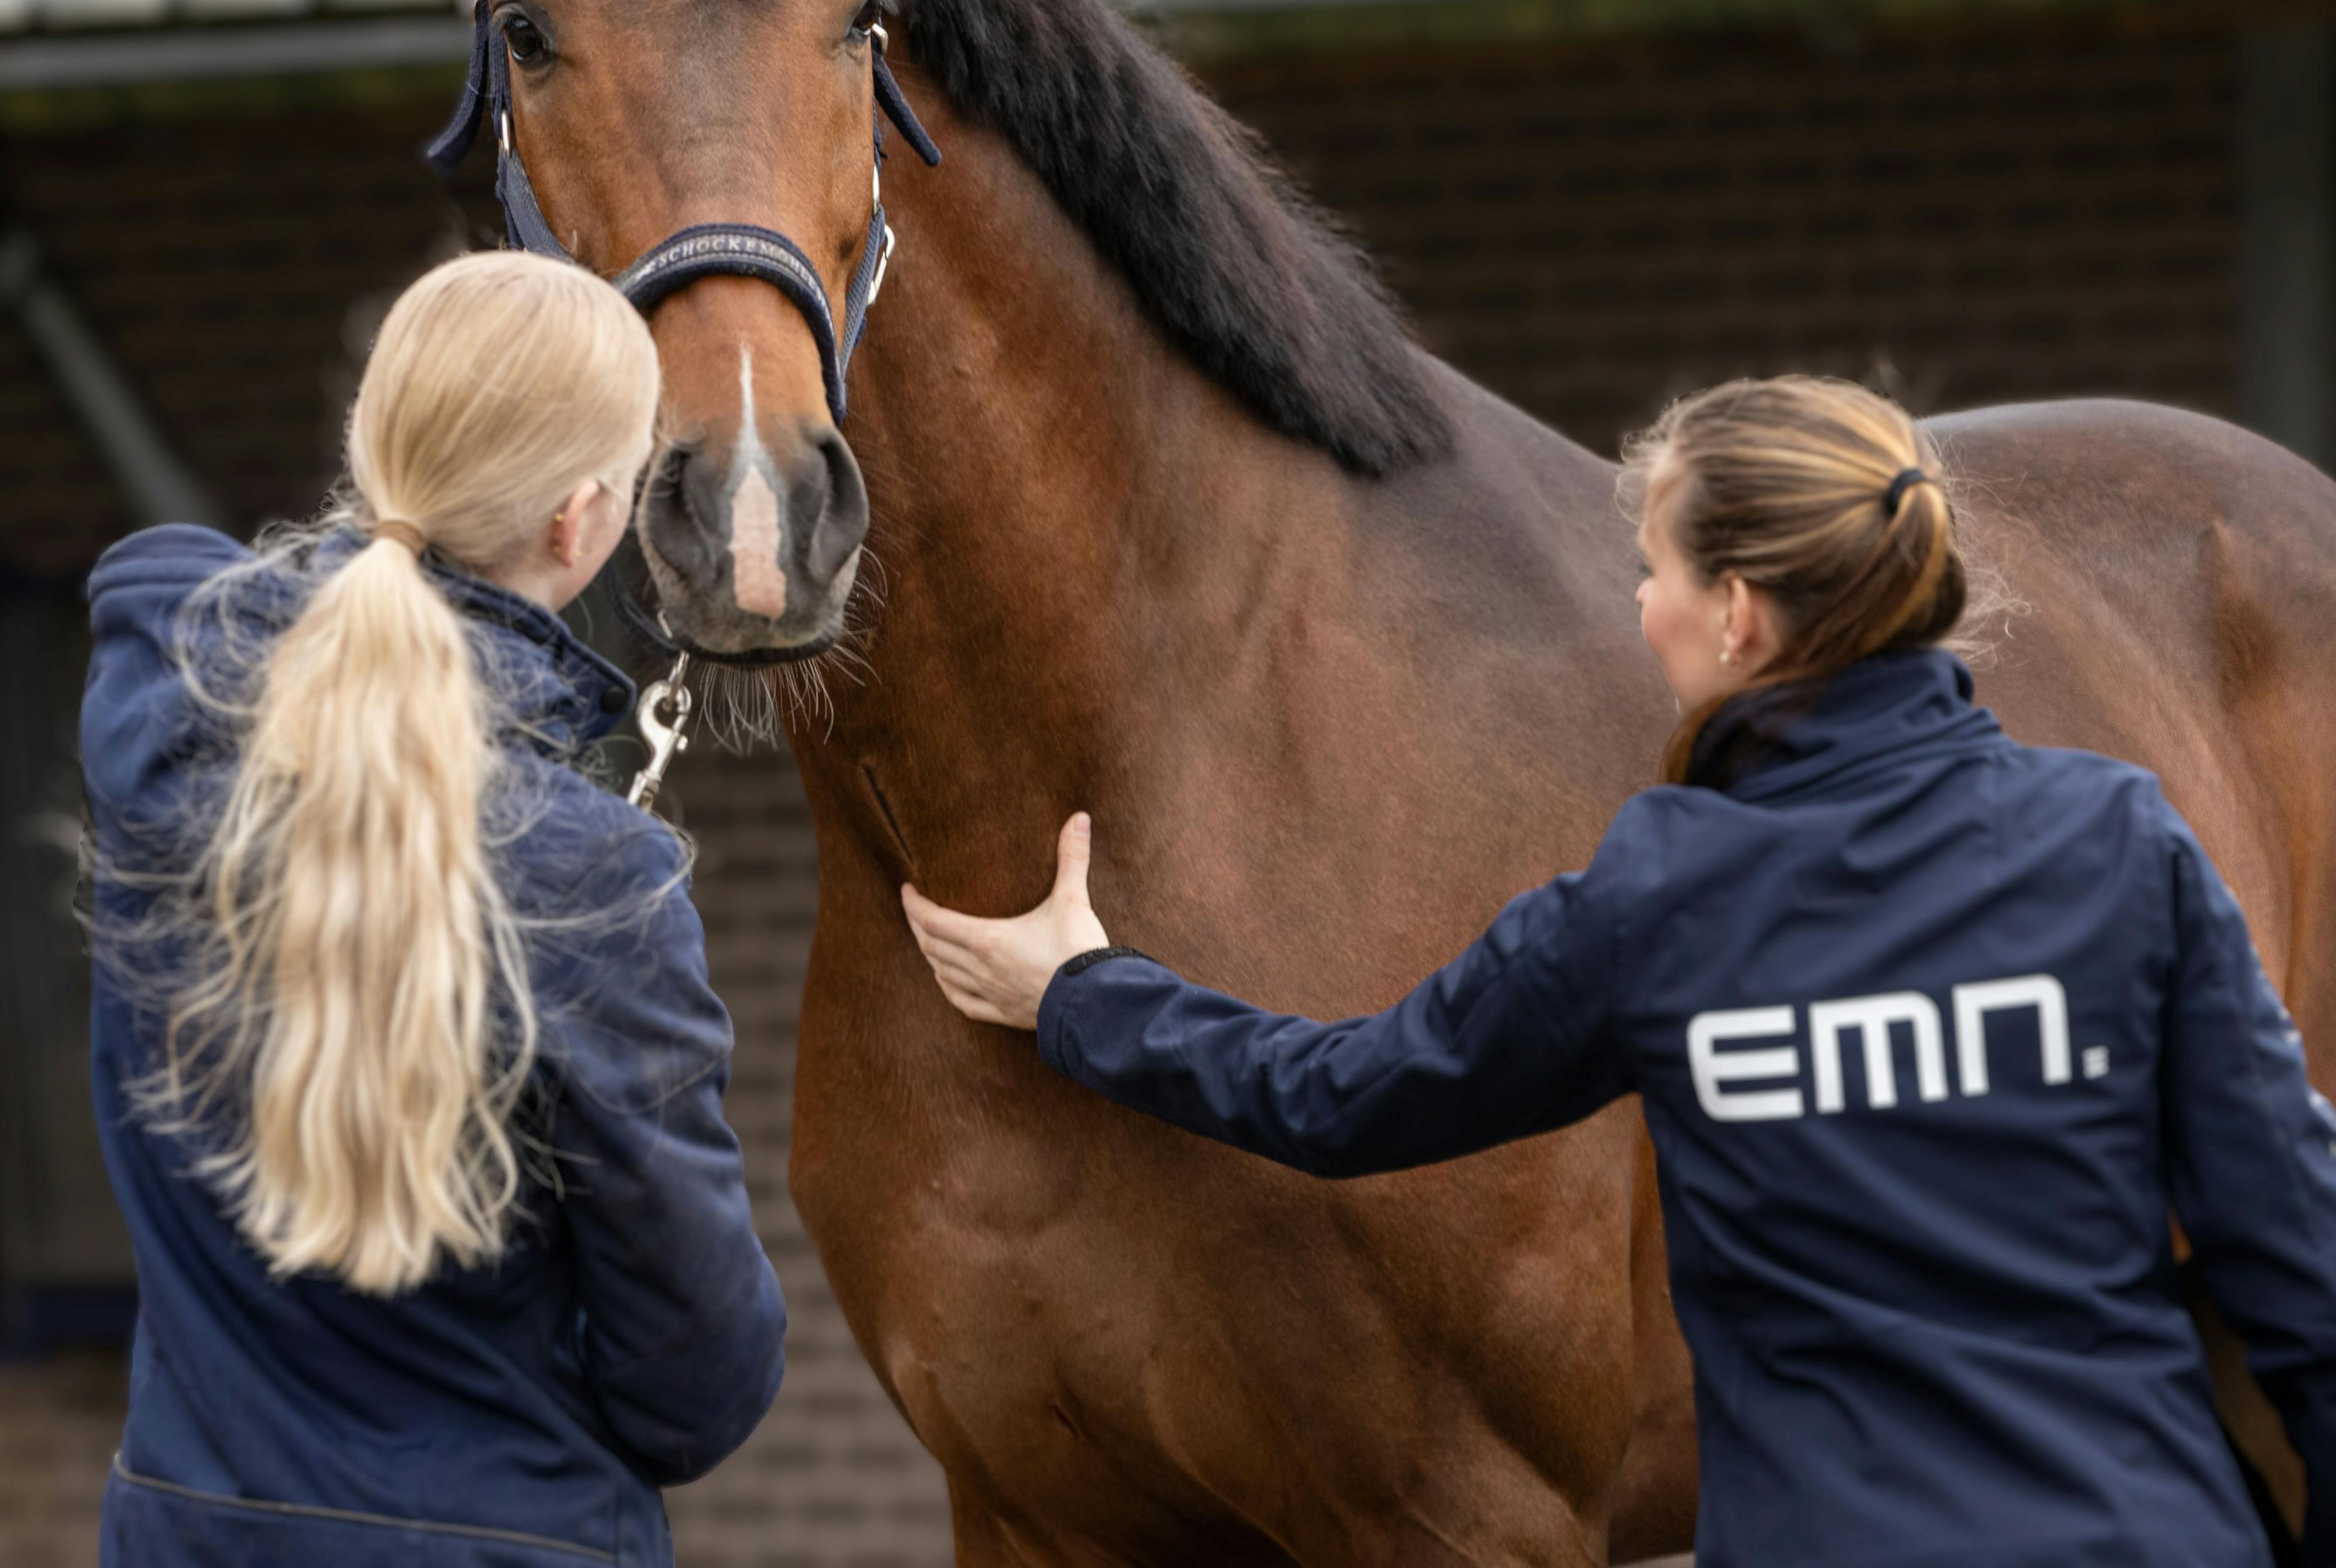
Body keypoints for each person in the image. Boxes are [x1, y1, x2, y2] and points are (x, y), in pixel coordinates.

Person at [903, 374, 2336, 1568]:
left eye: (1653, 570)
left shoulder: (1666, 894)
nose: (1637, 608)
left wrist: (1086, 997)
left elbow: (1345, 1098)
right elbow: (2300, 1267)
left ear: (1741, 618)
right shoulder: (2123, 843)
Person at [82, 251, 782, 1568]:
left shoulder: (158, 698)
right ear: (582, 521)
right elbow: (699, 1383)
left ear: (372, 441)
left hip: (187, 1533)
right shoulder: (595, 875)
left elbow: (186, 581)